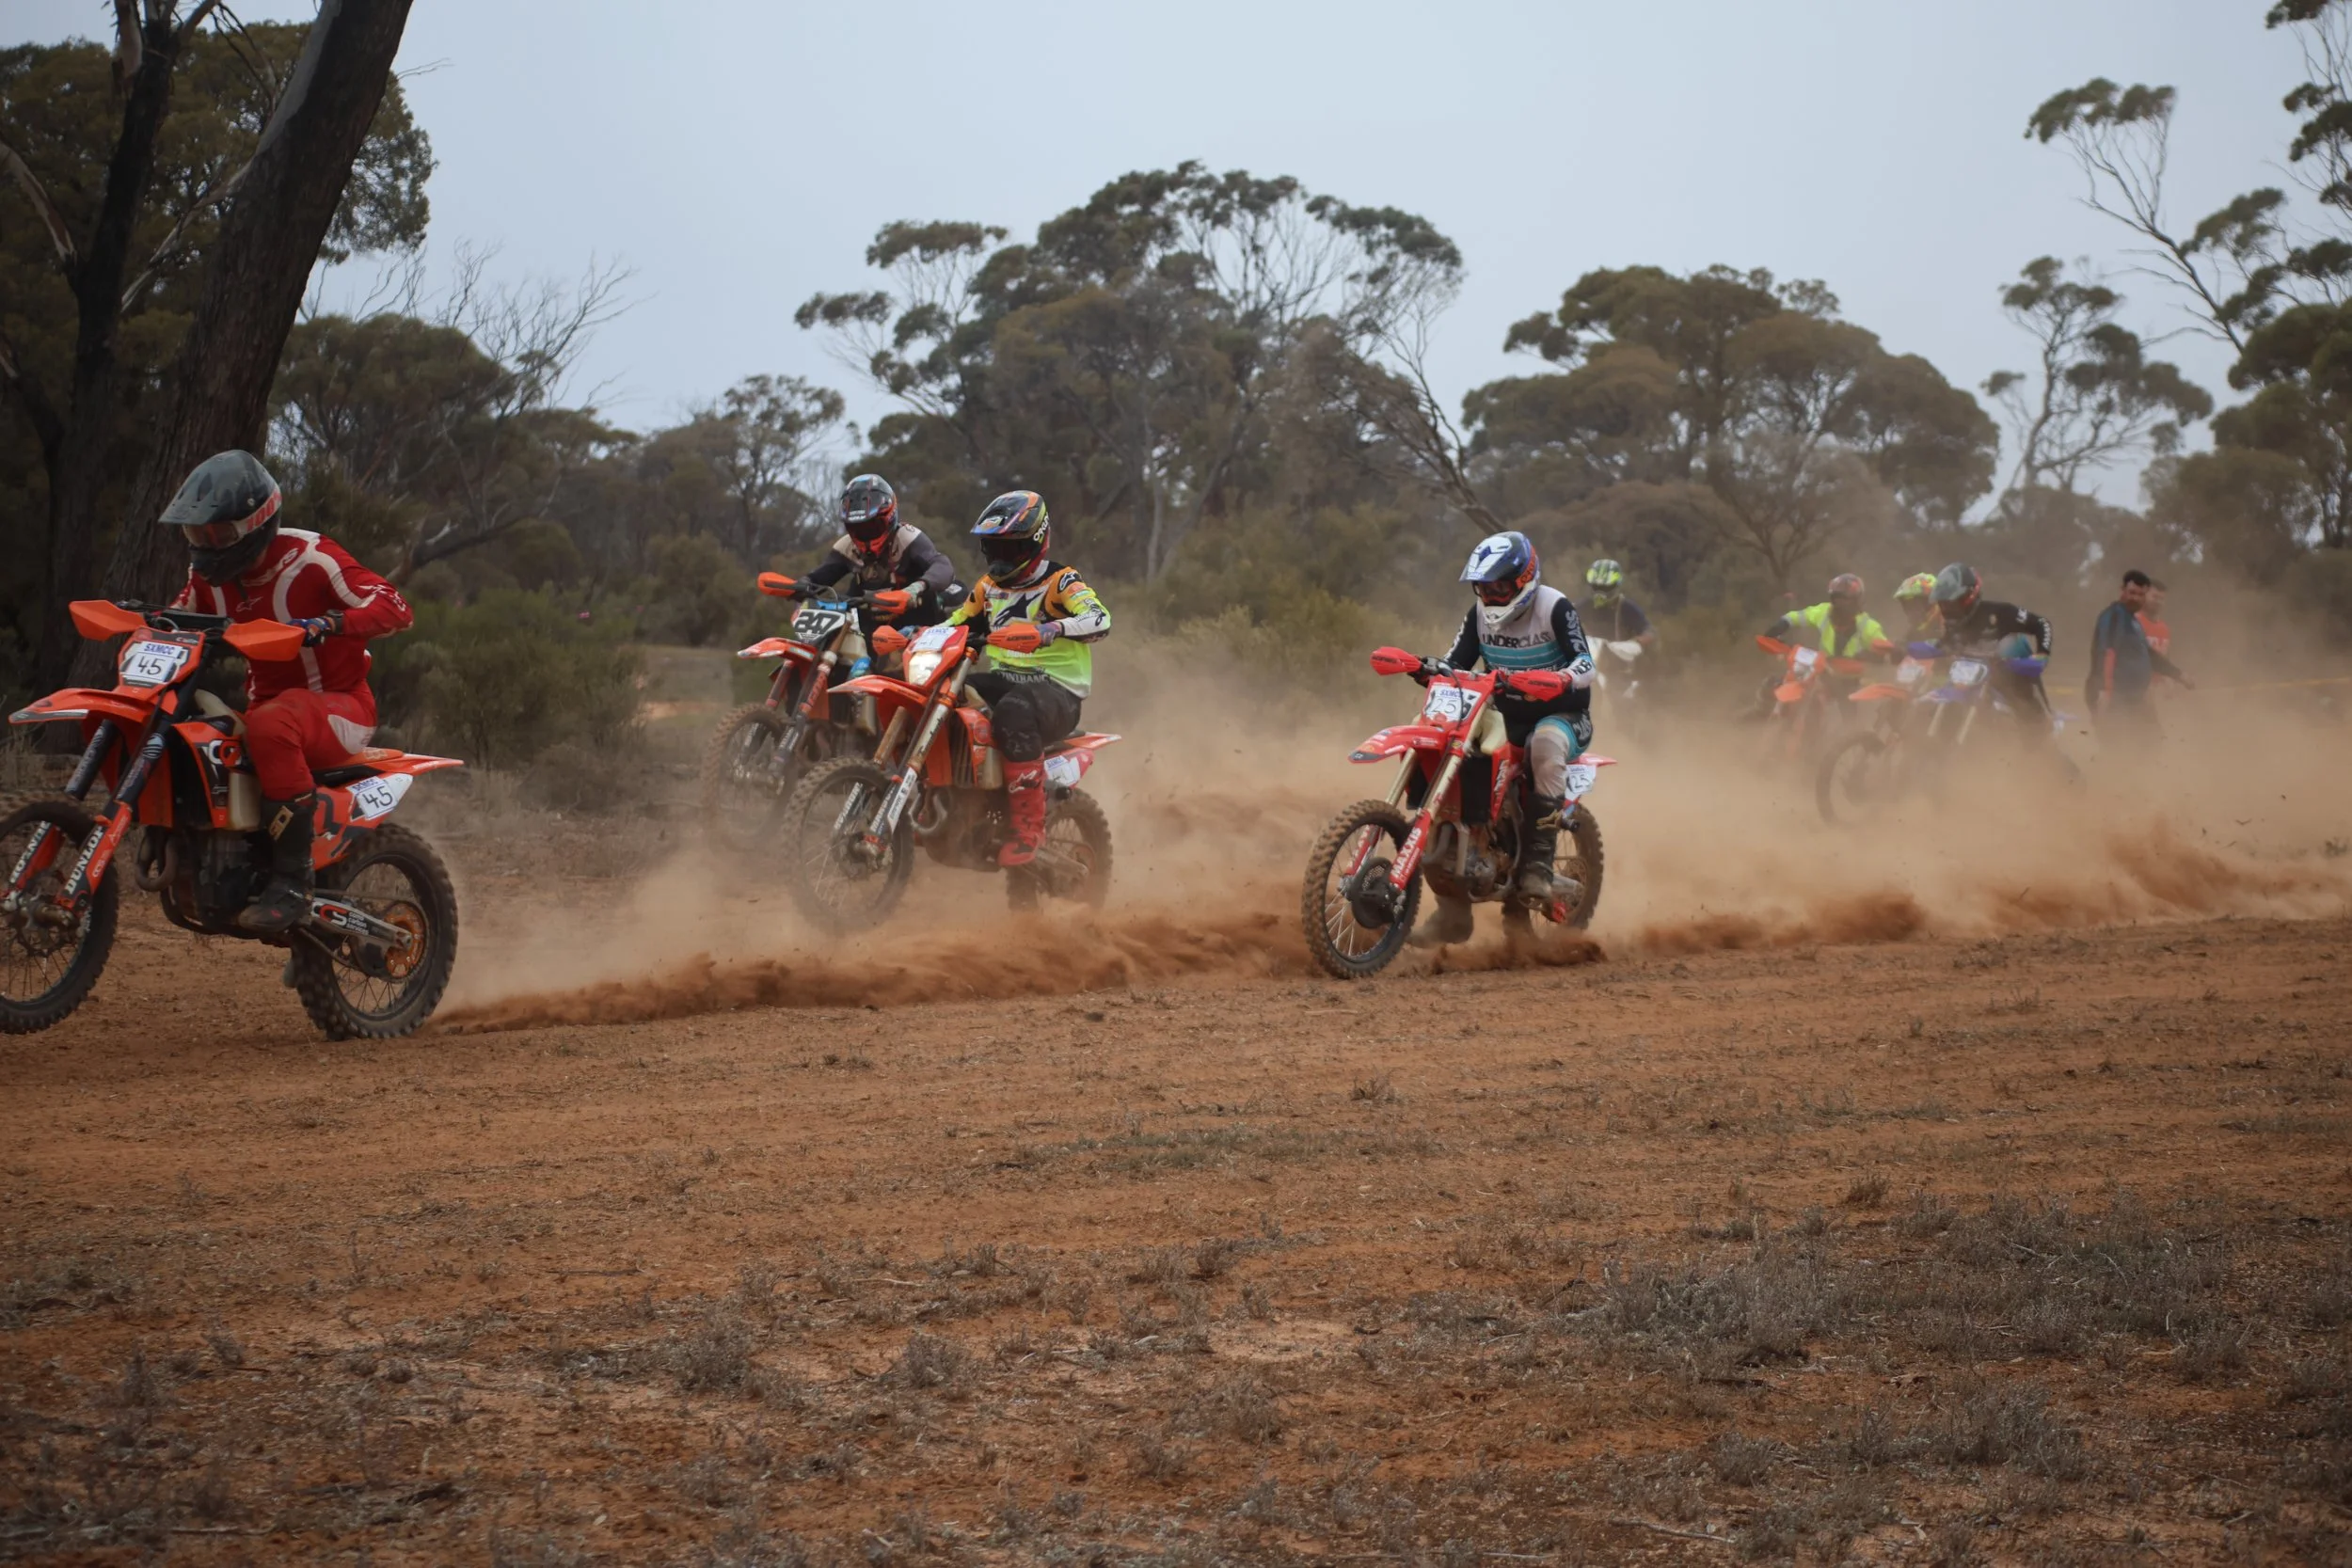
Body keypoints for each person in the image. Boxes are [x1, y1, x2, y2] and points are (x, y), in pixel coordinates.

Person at [163, 450, 414, 933]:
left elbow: (396, 607)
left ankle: (293, 883)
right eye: (196, 534)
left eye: (216, 534)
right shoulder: (205, 578)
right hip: (269, 709)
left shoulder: (312, 559)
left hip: (341, 708)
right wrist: (149, 623)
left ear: (254, 525)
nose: (205, 545)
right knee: (193, 730)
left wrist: (332, 623)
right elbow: (178, 620)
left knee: (272, 722)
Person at [1422, 531, 1596, 936]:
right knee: (1456, 755)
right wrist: (1426, 668)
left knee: (1544, 745)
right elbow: (1455, 664)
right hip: (1505, 714)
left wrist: (1559, 680)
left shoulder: (1554, 606)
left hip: (1564, 715)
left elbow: (1586, 664)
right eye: (1483, 586)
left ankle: (1537, 866)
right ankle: (1452, 912)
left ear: (1524, 579)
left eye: (1499, 585)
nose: (1490, 594)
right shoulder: (1478, 614)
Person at [942, 491, 1112, 867]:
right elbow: (957, 622)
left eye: (1011, 548)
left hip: (1057, 693)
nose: (1001, 558)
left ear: (1036, 541)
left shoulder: (1060, 581)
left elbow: (1100, 618)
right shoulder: (987, 587)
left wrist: (1051, 629)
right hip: (1006, 680)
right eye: (994, 548)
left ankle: (1028, 826)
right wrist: (915, 635)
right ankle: (951, 801)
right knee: (939, 695)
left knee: (1013, 712)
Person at [796, 474, 959, 669]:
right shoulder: (846, 547)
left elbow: (942, 565)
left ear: (889, 517)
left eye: (872, 526)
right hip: (869, 633)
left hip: (917, 632)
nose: (865, 534)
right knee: (840, 665)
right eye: (858, 528)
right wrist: (801, 585)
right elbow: (820, 577)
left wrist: (915, 589)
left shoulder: (907, 537)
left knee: (901, 674)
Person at [1929, 562, 2059, 742]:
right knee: (1938, 700)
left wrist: (2043, 654)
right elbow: (1942, 647)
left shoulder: (2000, 613)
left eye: (1952, 603)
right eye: (1943, 604)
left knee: (2033, 731)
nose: (1948, 609)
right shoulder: (1952, 625)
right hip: (1969, 684)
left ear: (1969, 596)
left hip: (2006, 681)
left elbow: (2042, 624)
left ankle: (2041, 724)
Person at [2088, 568, 2192, 750]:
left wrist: (2178, 675)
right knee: (2118, 748)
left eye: (2140, 594)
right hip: (2113, 696)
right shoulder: (2113, 616)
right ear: (2123, 590)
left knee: (2151, 742)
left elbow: (2149, 656)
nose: (2135, 598)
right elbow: (2104, 653)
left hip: (2134, 697)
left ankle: (2137, 776)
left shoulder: (2133, 621)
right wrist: (2104, 692)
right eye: (2132, 593)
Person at [1892, 572, 1940, 639]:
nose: (1911, 611)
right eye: (1907, 606)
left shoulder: (1951, 629)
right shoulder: (1911, 637)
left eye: (1915, 605)